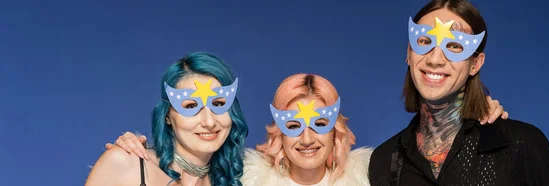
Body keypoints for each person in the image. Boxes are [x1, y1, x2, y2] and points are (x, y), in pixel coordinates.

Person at [107, 73, 508, 185]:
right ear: (277, 133)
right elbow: (183, 167)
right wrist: (137, 150)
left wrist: (474, 113)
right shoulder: (243, 178)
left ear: (337, 130)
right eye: (293, 125)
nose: (307, 137)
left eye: (320, 123)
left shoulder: (374, 173)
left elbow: (435, 156)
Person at [368, 0, 549, 185]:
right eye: (424, 41)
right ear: (409, 53)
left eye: (455, 46)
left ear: (475, 64)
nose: (435, 59)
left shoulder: (519, 144)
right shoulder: (384, 160)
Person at [85, 52, 248, 186]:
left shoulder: (236, 180)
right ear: (167, 116)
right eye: (191, 106)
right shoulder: (126, 164)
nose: (209, 122)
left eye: (219, 104)